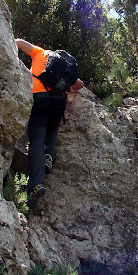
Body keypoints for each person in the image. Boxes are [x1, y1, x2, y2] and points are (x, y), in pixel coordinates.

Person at [15, 38, 84, 204]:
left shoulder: (40, 52)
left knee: (37, 140)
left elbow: (19, 42)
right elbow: (80, 84)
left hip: (40, 98)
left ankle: (36, 184)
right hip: (59, 102)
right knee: (52, 130)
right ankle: (49, 157)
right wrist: (69, 89)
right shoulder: (66, 68)